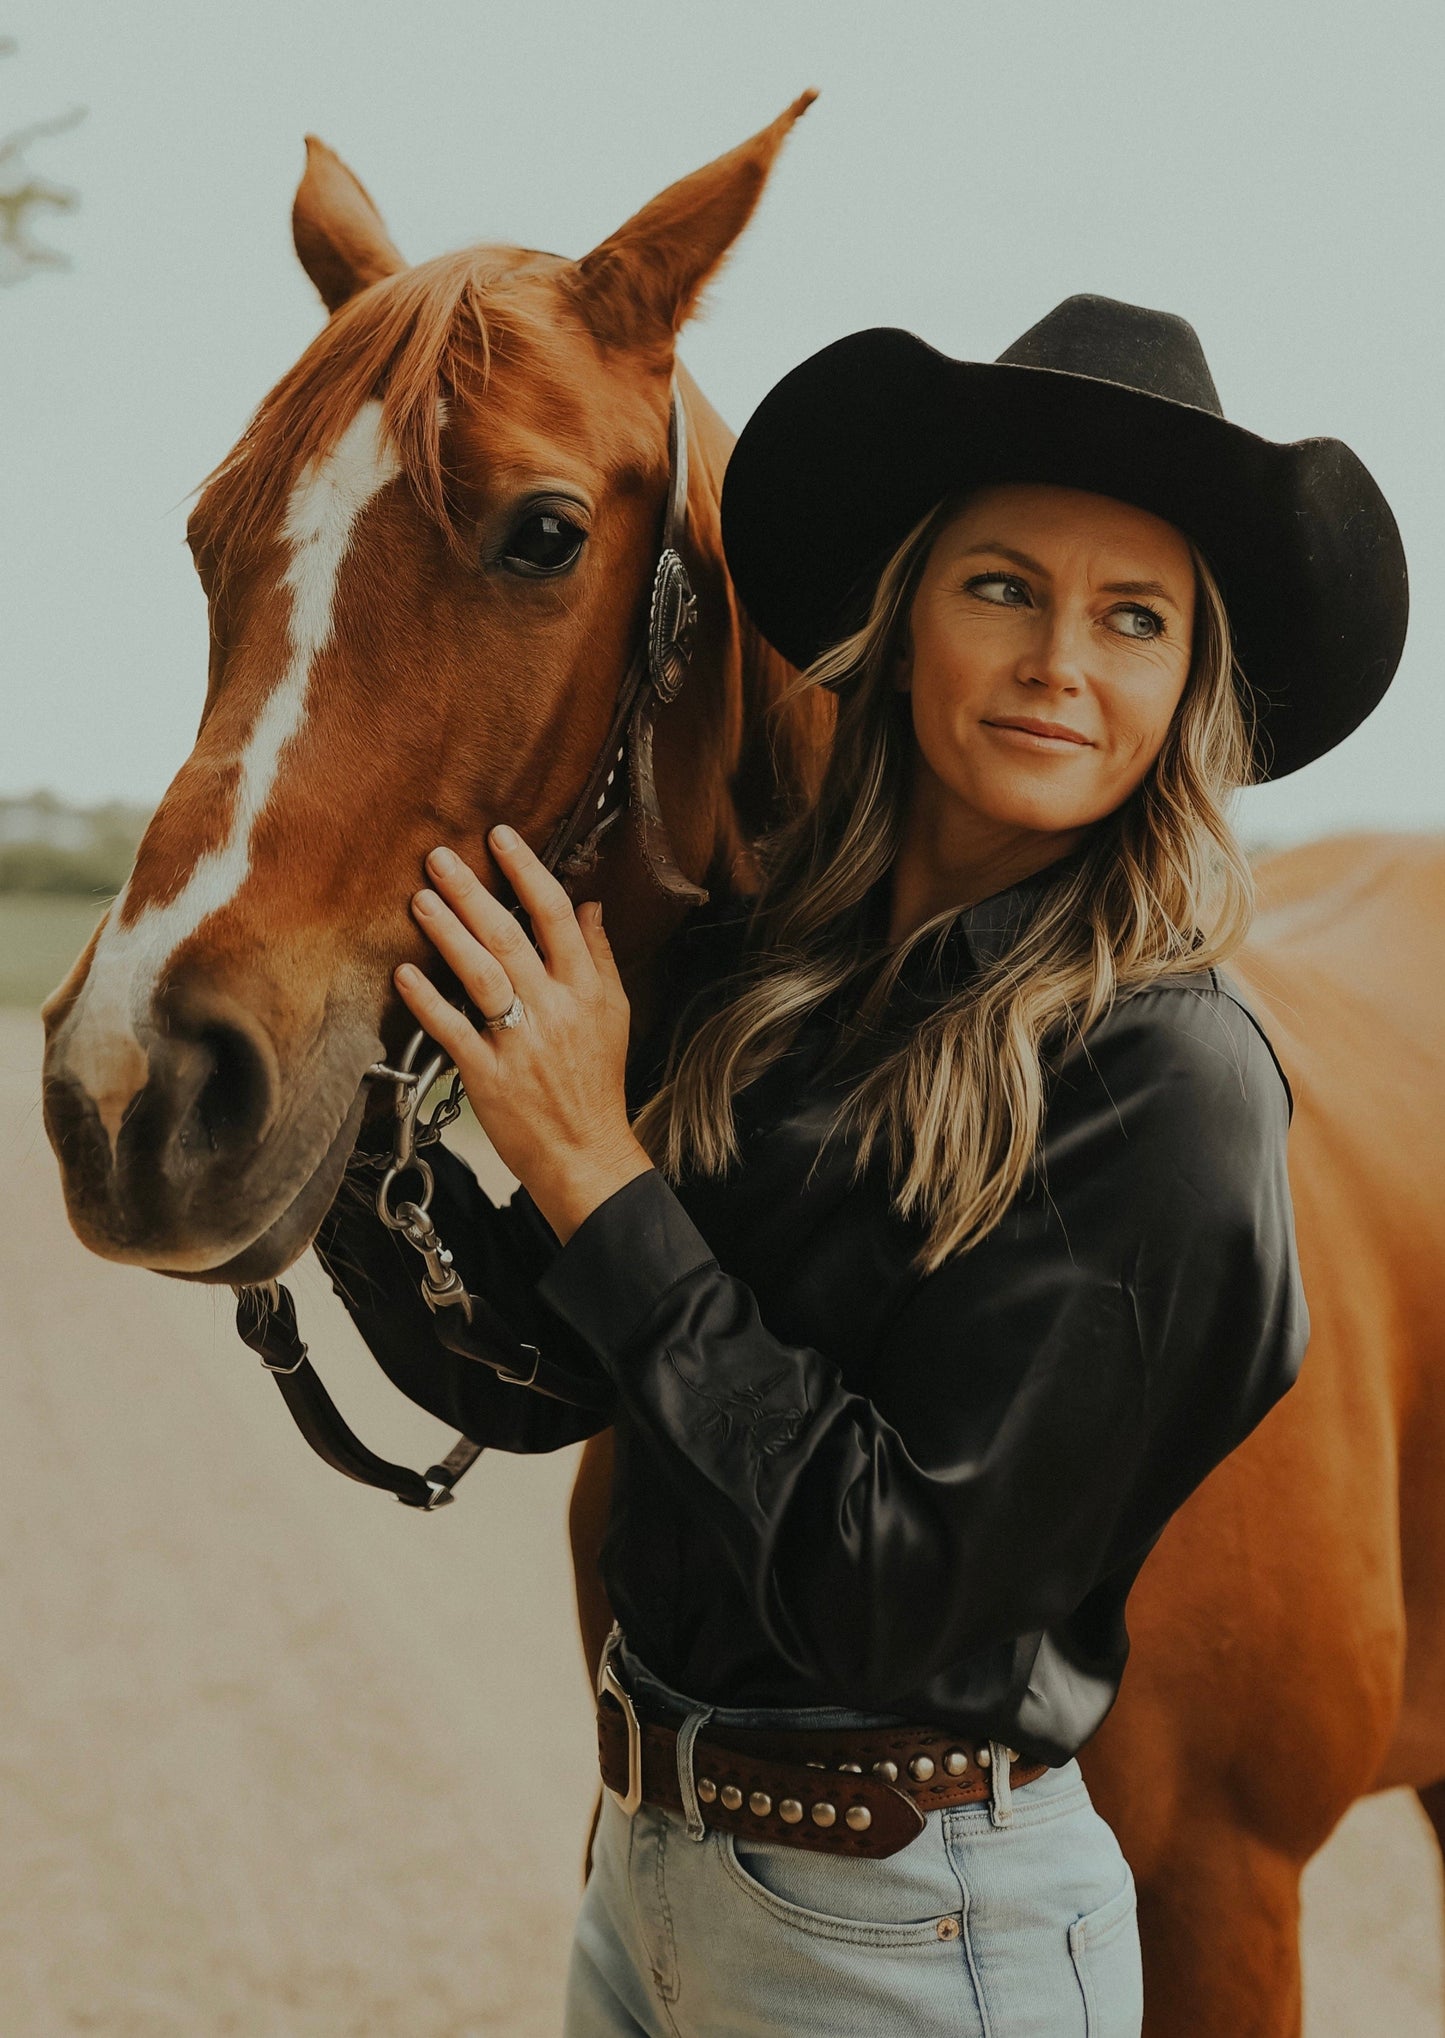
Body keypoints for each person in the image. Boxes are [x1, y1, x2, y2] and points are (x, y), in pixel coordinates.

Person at [315, 294, 1408, 2037]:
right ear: (903, 629)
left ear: (1183, 684)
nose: (1062, 658)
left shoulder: (1166, 1081)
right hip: (654, 1871)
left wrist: (600, 1169)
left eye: (1133, 617)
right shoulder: (775, 984)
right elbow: (545, 1377)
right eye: (1003, 587)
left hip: (915, 1932)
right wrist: (340, 1140)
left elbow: (890, 1592)